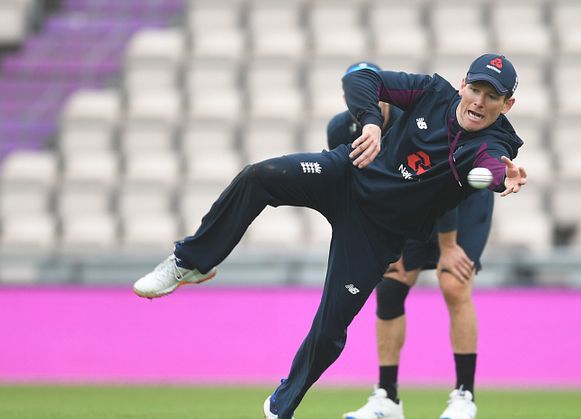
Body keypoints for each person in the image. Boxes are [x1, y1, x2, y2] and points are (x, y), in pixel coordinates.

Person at [132, 53, 527, 419]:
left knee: (330, 329)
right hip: (346, 177)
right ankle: (192, 261)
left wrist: (501, 176)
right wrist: (372, 122)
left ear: (506, 104)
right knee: (259, 177)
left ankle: (280, 406)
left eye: (492, 96)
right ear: (462, 85)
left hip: (378, 233)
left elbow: (493, 167)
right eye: (475, 89)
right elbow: (361, 77)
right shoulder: (430, 92)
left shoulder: (496, 143)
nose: (479, 101)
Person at [330, 62, 495, 419]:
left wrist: (448, 247)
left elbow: (444, 183)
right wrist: (377, 243)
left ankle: (464, 396)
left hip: (462, 198)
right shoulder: (341, 129)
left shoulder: (416, 112)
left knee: (453, 282)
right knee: (390, 285)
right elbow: (353, 192)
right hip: (410, 202)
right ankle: (387, 398)